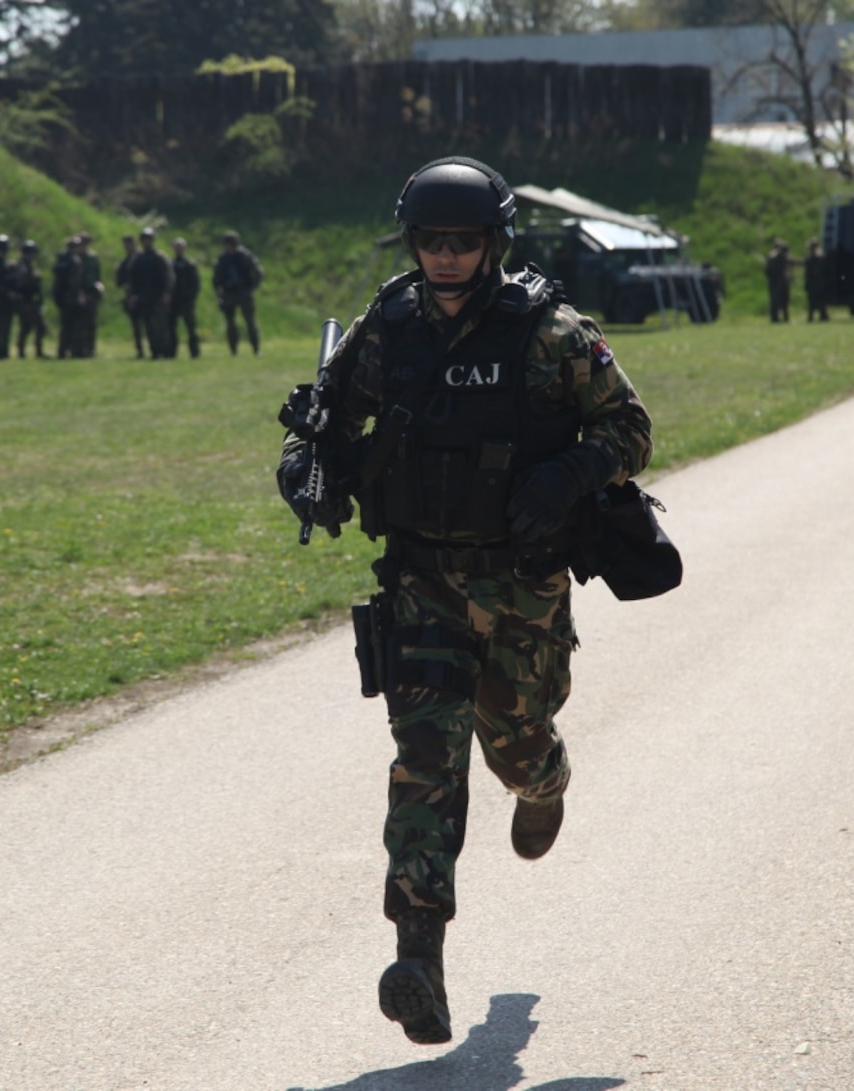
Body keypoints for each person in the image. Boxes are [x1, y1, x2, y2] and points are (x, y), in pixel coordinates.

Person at [276, 156, 653, 1047]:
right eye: (431, 241)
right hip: (422, 584)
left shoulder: (549, 330)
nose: (446, 256)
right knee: (425, 763)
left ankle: (545, 779)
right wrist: (307, 471)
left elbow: (629, 428)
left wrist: (569, 471)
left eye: (464, 241)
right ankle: (420, 957)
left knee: (515, 749)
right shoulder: (389, 324)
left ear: (493, 244)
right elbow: (335, 420)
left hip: (521, 586)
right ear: (413, 244)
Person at [213, 230, 263, 356]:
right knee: (230, 323)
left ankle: (256, 349)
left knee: (250, 322)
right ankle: (233, 350)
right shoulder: (223, 259)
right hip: (229, 293)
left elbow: (258, 272)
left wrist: (253, 287)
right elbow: (217, 277)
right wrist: (218, 292)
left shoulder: (245, 256)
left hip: (244, 292)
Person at [129, 226, 174, 358]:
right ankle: (154, 350)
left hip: (158, 296)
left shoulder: (160, 257)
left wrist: (167, 293)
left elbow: (168, 277)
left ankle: (165, 350)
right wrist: (134, 295)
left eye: (148, 240)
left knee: (161, 325)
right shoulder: (138, 259)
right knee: (149, 325)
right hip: (144, 297)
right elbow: (133, 279)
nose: (146, 242)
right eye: (144, 240)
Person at [10, 240, 48, 359]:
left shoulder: (27, 266)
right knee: (28, 326)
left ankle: (35, 350)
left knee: (36, 326)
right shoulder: (21, 266)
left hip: (30, 300)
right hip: (25, 300)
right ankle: (23, 350)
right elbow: (22, 283)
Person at [52, 235, 86, 359]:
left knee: (65, 325)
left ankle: (62, 350)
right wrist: (78, 295)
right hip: (71, 297)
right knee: (75, 326)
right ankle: (75, 351)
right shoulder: (74, 260)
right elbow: (75, 281)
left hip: (61, 297)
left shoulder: (61, 260)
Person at [168, 237, 201, 358]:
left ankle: (194, 351)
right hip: (174, 301)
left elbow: (196, 283)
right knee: (172, 327)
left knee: (191, 327)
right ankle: (172, 351)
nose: (178, 249)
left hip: (187, 301)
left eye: (180, 247)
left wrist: (191, 298)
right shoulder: (170, 264)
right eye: (176, 247)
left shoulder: (189, 264)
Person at [115, 234, 145, 358]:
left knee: (151, 323)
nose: (128, 247)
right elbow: (119, 280)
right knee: (136, 325)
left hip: (145, 295)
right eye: (126, 245)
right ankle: (140, 349)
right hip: (131, 296)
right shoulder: (124, 262)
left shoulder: (142, 259)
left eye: (130, 244)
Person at [78, 232, 104, 358]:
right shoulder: (76, 258)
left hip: (91, 291)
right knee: (79, 323)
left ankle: (90, 348)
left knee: (91, 323)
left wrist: (98, 288)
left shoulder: (93, 258)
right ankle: (79, 348)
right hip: (79, 291)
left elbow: (97, 275)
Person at [764, 238, 791, 323]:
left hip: (774, 281)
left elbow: (767, 271)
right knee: (783, 301)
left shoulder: (771, 255)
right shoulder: (780, 255)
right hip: (780, 280)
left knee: (775, 301)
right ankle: (784, 318)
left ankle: (775, 318)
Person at [804, 239, 829, 322]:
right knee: (820, 300)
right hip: (820, 282)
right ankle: (823, 316)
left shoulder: (813, 257)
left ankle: (813, 317)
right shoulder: (821, 256)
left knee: (813, 300)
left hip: (814, 282)